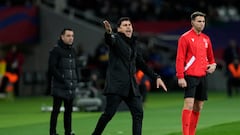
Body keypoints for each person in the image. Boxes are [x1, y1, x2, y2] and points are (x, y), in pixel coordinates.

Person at [91, 17, 167, 135]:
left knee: (138, 113)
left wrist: (156, 77)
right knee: (108, 115)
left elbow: (142, 64)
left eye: (130, 25)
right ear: (119, 29)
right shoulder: (116, 38)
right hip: (116, 86)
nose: (128, 27)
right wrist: (108, 32)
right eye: (125, 25)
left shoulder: (133, 44)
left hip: (131, 86)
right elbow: (110, 40)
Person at [175, 11, 216, 135]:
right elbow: (180, 58)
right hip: (190, 76)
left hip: (202, 76)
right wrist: (180, 76)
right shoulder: (185, 37)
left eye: (203, 21)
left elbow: (212, 59)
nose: (202, 24)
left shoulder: (206, 39)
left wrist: (213, 65)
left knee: (198, 107)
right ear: (192, 22)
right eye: (199, 21)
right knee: (189, 104)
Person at [48, 28, 80, 135]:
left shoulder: (73, 50)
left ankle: (68, 131)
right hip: (59, 86)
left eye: (72, 36)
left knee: (68, 111)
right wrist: (62, 79)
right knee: (56, 111)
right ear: (62, 37)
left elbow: (75, 67)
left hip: (70, 86)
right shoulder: (56, 50)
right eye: (68, 36)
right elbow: (52, 68)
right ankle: (52, 133)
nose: (71, 38)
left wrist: (77, 79)